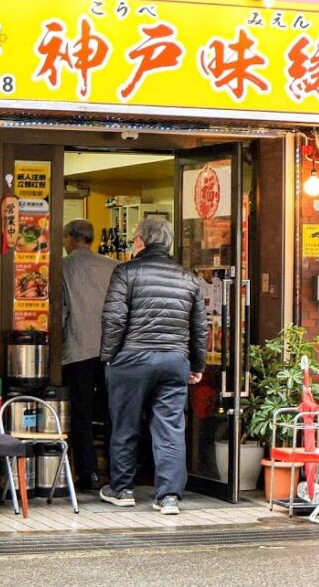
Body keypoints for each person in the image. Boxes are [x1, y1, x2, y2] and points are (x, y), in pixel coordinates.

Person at [98, 218, 207, 516]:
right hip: (174, 360)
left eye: (134, 238)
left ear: (141, 242)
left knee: (125, 424)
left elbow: (114, 319)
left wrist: (108, 356)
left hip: (132, 358)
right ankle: (169, 496)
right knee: (170, 427)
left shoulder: (126, 272)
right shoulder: (188, 278)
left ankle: (121, 489)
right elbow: (199, 327)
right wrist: (197, 364)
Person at [60, 219, 119, 491]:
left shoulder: (63, 266)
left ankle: (88, 474)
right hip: (112, 351)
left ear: (71, 238)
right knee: (112, 412)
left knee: (81, 413)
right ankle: (117, 471)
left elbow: (60, 311)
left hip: (79, 348)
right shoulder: (113, 267)